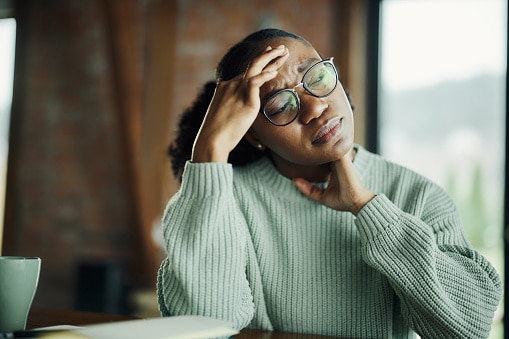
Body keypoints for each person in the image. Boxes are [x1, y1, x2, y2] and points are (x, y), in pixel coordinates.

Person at [157, 28, 502, 338]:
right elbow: (204, 325)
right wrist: (209, 151)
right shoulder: (222, 201)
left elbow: (468, 328)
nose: (315, 107)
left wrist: (369, 209)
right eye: (279, 105)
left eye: (316, 76)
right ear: (253, 135)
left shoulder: (415, 194)